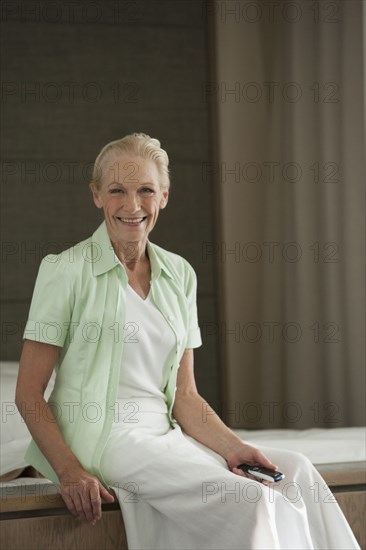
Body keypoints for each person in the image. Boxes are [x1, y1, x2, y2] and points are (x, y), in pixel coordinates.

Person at [16, 133, 360, 550]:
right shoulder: (65, 271)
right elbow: (29, 394)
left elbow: (186, 395)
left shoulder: (179, 274)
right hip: (107, 440)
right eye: (117, 191)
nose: (132, 205)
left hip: (167, 432)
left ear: (163, 196)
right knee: (248, 500)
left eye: (146, 190)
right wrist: (70, 471)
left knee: (298, 473)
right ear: (96, 196)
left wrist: (235, 448)